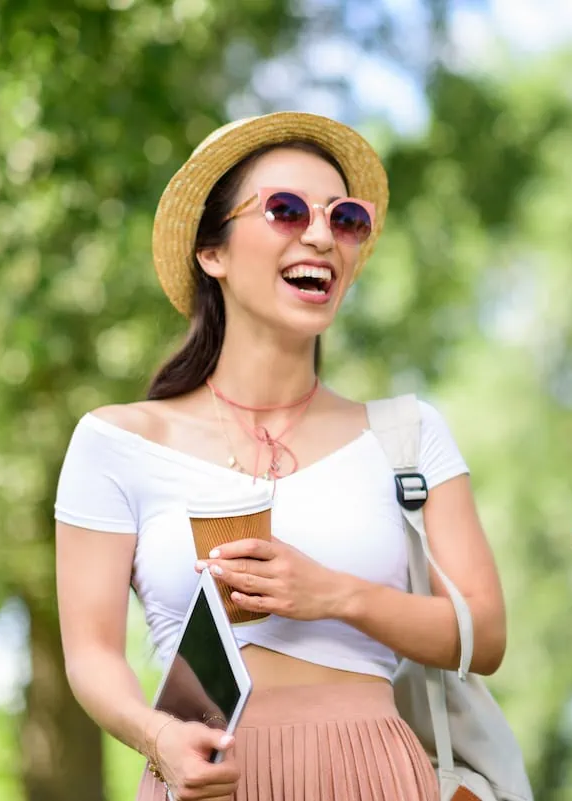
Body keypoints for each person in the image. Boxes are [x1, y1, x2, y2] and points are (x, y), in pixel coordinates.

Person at [54, 111, 507, 801]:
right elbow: (90, 655)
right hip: (207, 777)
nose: (322, 236)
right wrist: (157, 734)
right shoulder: (117, 442)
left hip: (376, 775)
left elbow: (486, 633)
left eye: (345, 218)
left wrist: (335, 594)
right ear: (213, 252)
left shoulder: (406, 436)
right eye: (286, 211)